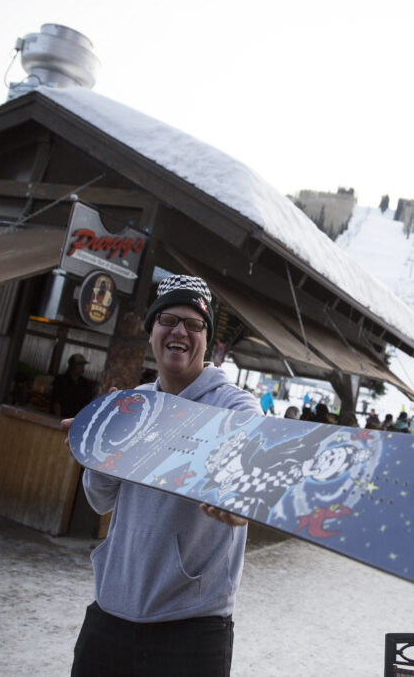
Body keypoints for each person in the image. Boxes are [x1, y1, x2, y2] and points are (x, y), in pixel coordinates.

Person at [67, 274, 262, 676]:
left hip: (192, 627)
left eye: (194, 325)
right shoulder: (132, 407)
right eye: (169, 320)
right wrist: (97, 444)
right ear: (152, 331)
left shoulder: (236, 409)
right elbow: (99, 498)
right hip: (112, 612)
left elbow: (251, 474)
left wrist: (243, 504)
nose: (180, 331)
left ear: (208, 340)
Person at [51, 353, 98, 418]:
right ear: (72, 365)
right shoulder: (61, 380)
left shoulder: (84, 383)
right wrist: (58, 419)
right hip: (63, 416)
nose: (82, 367)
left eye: (83, 365)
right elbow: (56, 401)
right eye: (80, 365)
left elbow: (87, 402)